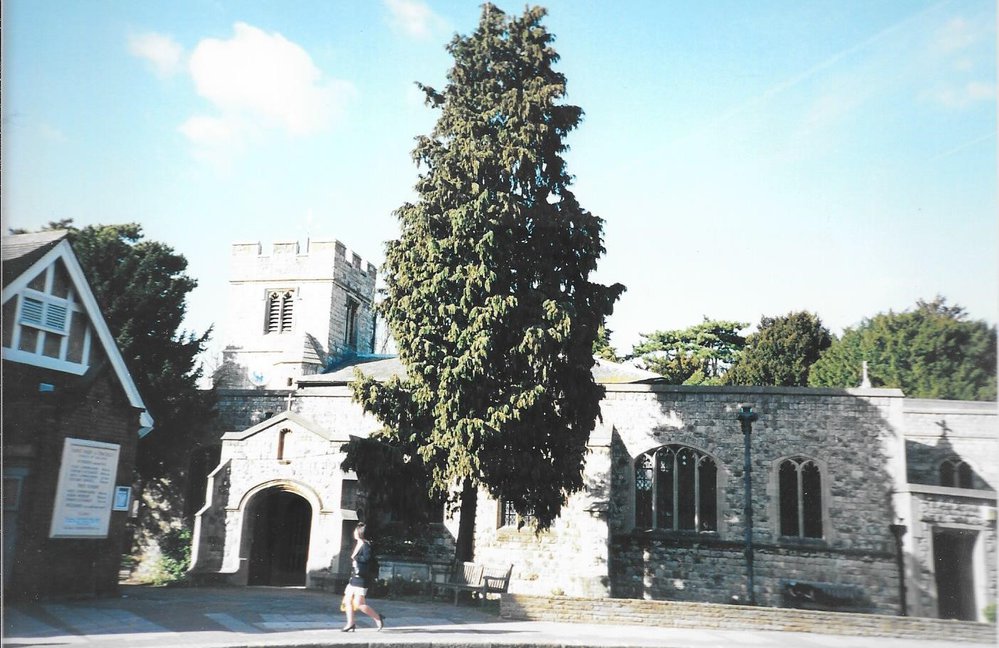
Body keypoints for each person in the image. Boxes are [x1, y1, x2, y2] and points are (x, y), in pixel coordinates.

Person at [341, 523, 385, 632]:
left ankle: (377, 617)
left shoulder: (366, 545)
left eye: (356, 531)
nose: (354, 532)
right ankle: (350, 623)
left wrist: (356, 557)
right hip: (354, 577)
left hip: (361, 579)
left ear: (360, 533)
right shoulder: (358, 544)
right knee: (347, 600)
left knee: (359, 604)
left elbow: (367, 558)